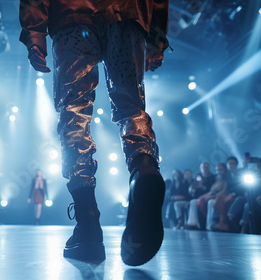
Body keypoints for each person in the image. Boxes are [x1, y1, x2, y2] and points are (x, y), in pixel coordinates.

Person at [20, 0, 169, 265]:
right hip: (127, 13)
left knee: (73, 113)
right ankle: (143, 168)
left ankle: (87, 223)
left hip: (71, 16)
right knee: (130, 108)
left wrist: (35, 33)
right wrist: (157, 34)